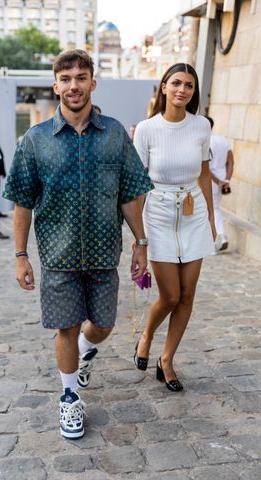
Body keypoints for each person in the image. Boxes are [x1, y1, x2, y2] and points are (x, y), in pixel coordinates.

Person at [3, 49, 153, 439]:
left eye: (81, 77)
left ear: (92, 83)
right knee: (66, 328)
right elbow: (22, 201)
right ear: (55, 85)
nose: (74, 85)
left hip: (105, 253)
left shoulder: (115, 133)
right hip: (58, 255)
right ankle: (69, 398)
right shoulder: (35, 140)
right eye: (66, 79)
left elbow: (130, 193)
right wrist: (21, 256)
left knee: (102, 325)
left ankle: (86, 350)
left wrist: (140, 242)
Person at [133, 63, 216, 392]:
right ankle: (147, 334)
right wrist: (140, 238)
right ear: (164, 87)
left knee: (188, 295)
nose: (183, 90)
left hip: (193, 212)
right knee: (169, 296)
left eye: (190, 86)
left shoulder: (201, 126)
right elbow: (139, 185)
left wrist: (209, 219)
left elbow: (205, 174)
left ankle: (166, 360)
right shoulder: (147, 129)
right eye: (177, 83)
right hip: (159, 213)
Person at [205, 116, 234, 251]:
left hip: (209, 180)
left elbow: (204, 168)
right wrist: (226, 180)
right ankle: (219, 237)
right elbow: (231, 162)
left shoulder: (204, 142)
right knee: (215, 208)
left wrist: (218, 182)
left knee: (211, 210)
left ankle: (218, 238)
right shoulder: (223, 140)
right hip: (221, 179)